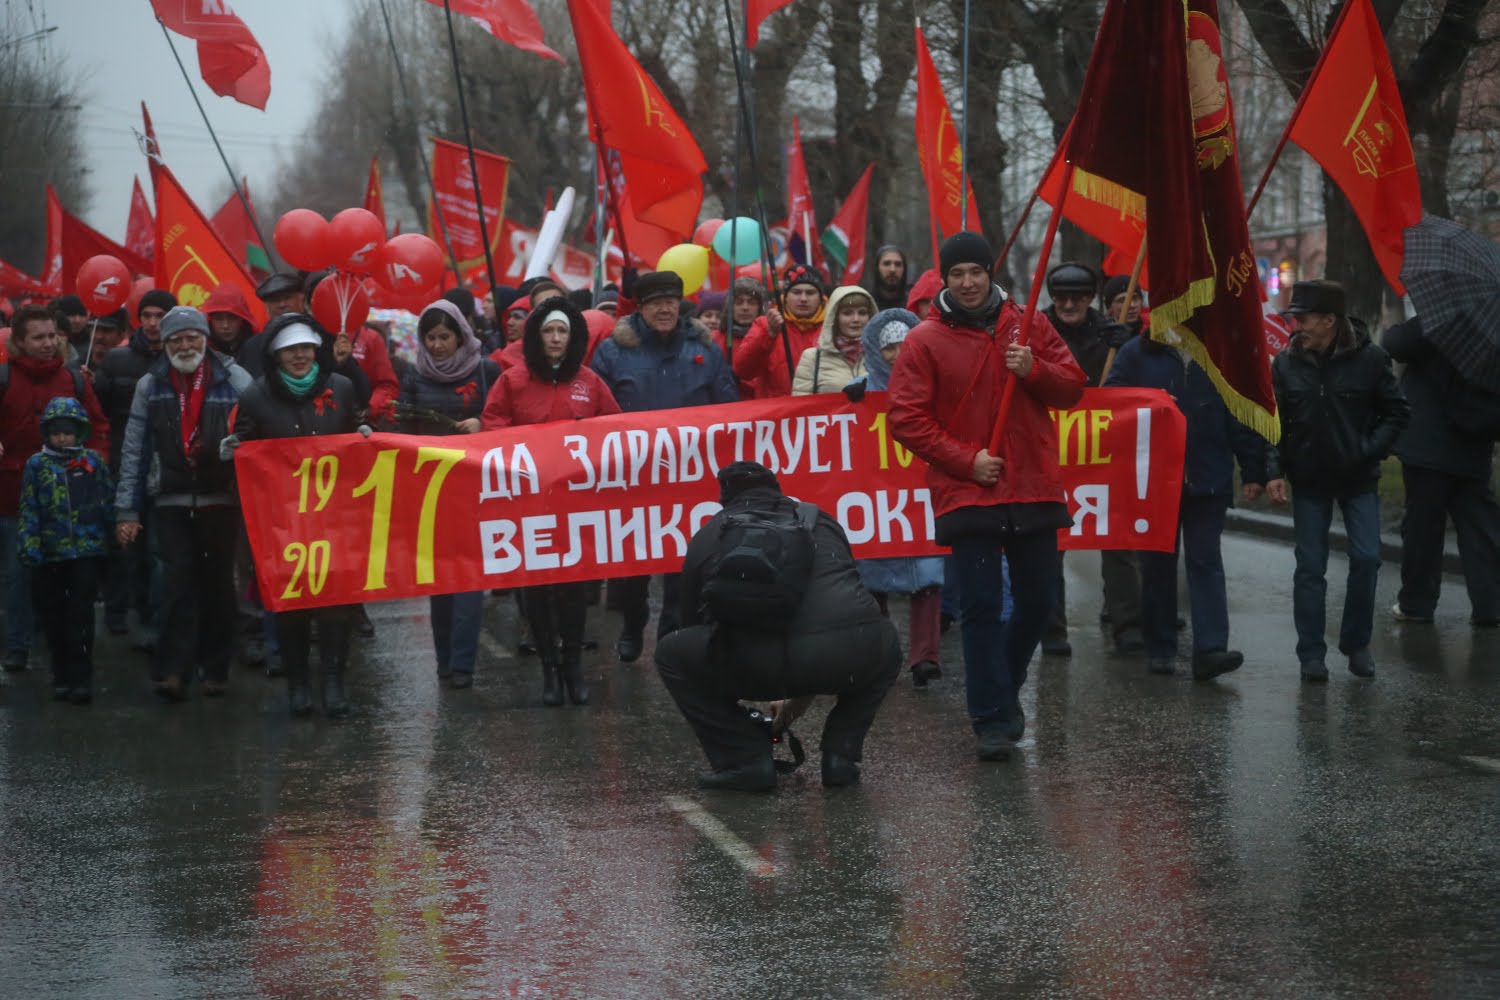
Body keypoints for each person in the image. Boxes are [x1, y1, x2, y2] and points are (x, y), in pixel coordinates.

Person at [888, 232, 1086, 761]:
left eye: (976, 271)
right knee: (981, 605)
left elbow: (1072, 386)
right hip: (968, 491)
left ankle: (1004, 683)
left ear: (989, 272)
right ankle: (990, 720)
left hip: (1032, 484)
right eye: (957, 274)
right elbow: (905, 417)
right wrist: (965, 460)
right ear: (945, 279)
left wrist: (1034, 369)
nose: (968, 282)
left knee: (1038, 600)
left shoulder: (1029, 324)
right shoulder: (924, 340)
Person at [655, 462, 901, 790]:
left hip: (754, 663)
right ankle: (841, 754)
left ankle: (744, 758)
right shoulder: (822, 521)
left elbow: (690, 622)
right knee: (886, 642)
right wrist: (801, 693)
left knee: (670, 654)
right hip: (846, 655)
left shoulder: (710, 534)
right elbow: (835, 604)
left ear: (723, 498)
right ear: (778, 490)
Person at [1264, 280, 1409, 683]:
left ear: (1329, 320)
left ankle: (1356, 643)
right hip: (1309, 479)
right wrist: (1274, 470)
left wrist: (1368, 449)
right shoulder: (1286, 363)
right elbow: (1274, 421)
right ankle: (1311, 654)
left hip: (1357, 478)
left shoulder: (1371, 360)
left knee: (1366, 557)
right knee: (1310, 568)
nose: (1297, 326)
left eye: (1304, 318)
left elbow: (1397, 412)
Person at [590, 269, 738, 662]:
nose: (664, 310)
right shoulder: (613, 352)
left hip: (689, 477)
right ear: (640, 307)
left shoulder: (704, 349)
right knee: (633, 564)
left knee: (683, 562)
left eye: (670, 302)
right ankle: (633, 620)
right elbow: (595, 416)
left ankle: (671, 633)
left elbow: (729, 407)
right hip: (633, 478)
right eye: (656, 303)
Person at [1104, 330, 1268, 679]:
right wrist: (1143, 402)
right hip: (1154, 482)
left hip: (1208, 477)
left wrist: (1253, 469)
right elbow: (1111, 406)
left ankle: (1211, 650)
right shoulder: (1136, 353)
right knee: (1158, 566)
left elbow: (1240, 414)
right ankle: (1161, 647)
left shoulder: (1222, 355)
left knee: (1205, 561)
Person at [481, 299, 621, 705]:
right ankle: (549, 668)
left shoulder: (590, 382)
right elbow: (493, 430)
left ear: (573, 337)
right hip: (529, 506)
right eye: (548, 331)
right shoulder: (512, 381)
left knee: (574, 589)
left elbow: (614, 429)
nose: (556, 338)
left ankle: (573, 666)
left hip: (575, 506)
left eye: (563, 331)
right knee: (537, 590)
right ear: (536, 336)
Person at [225, 314, 363, 717]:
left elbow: (358, 431)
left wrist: (367, 432)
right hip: (283, 523)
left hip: (335, 517)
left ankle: (334, 681)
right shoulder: (256, 397)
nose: (299, 356)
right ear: (275, 355)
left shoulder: (342, 388)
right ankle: (298, 684)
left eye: (305, 348)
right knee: (291, 603)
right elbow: (247, 456)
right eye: (290, 350)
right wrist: (233, 451)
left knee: (337, 601)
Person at [115, 306, 252, 703]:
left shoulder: (235, 379)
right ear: (165, 344)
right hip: (170, 498)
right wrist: (127, 511)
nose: (185, 345)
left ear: (205, 339)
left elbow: (255, 439)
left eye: (192, 337)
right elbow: (135, 450)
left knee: (218, 586)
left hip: (221, 499)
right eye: (176, 339)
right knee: (177, 584)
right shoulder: (151, 384)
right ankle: (174, 670)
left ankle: (216, 669)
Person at [0, 305, 110, 674]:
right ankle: (18, 644)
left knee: (64, 579)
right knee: (17, 574)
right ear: (20, 341)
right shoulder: (4, 378)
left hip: (69, 501)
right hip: (13, 496)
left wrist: (93, 464)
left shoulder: (73, 380)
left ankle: (62, 646)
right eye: (39, 337)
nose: (48, 343)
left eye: (52, 336)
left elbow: (98, 427)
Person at [397, 299, 500, 689]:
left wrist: (483, 424)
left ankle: (462, 664)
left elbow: (504, 420)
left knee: (469, 576)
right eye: (430, 338)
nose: (437, 345)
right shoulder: (414, 375)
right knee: (439, 580)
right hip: (431, 492)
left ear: (461, 336)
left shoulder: (485, 370)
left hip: (475, 489)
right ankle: (444, 659)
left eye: (444, 337)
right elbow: (402, 428)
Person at [1041, 261, 1142, 657]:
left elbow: (1138, 383)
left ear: (1090, 299)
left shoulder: (1110, 335)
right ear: (1052, 297)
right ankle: (1052, 630)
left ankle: (1127, 625)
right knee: (1052, 543)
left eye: (1078, 297)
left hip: (1104, 451)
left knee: (1117, 538)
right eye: (1062, 297)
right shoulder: (1036, 331)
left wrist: (1131, 342)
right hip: (1053, 452)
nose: (1069, 305)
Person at [848, 308, 947, 687]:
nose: (895, 354)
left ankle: (926, 657)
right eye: (888, 347)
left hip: (921, 494)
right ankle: (881, 653)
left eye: (903, 345)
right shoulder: (861, 391)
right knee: (872, 581)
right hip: (877, 498)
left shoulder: (933, 385)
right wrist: (852, 399)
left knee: (928, 578)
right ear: (876, 348)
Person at [1383, 317, 1500, 627]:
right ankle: (1490, 605)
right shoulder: (1492, 327)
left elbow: (1394, 343)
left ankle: (1416, 604)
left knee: (1423, 528)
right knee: (1480, 528)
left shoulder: (1443, 317)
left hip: (1429, 443)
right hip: (1474, 442)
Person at [18, 397, 114, 704]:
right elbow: (29, 508)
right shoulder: (37, 465)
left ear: (79, 431)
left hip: (86, 551)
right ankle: (61, 676)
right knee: (53, 616)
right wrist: (30, 546)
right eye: (57, 432)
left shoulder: (93, 462)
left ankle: (82, 679)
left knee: (81, 616)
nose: (62, 438)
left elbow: (106, 501)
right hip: (49, 553)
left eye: (68, 432)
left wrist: (113, 540)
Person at [97, 289, 175, 647]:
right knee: (125, 545)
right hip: (124, 462)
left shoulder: (180, 357)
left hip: (164, 466)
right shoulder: (117, 360)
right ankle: (119, 612)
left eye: (160, 316)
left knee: (157, 550)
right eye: (147, 316)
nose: (153, 323)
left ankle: (153, 619)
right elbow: (100, 410)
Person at [732, 265, 827, 399]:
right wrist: (768, 335)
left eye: (810, 293)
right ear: (785, 296)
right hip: (777, 410)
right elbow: (743, 370)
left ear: (821, 297)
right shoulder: (765, 324)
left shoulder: (832, 327)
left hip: (821, 409)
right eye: (796, 292)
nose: (803, 298)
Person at [791, 286, 873, 395]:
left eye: (862, 313)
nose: (856, 319)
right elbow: (801, 403)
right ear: (834, 317)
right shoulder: (812, 358)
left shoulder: (881, 357)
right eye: (847, 313)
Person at [203, 282, 257, 359]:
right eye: (218, 319)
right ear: (210, 321)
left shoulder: (257, 348)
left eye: (232, 318)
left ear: (242, 319)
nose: (225, 326)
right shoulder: (202, 353)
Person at [869, 244, 910, 311]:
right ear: (877, 268)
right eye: (887, 264)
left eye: (898, 264)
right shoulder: (867, 305)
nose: (892, 270)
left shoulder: (912, 304)